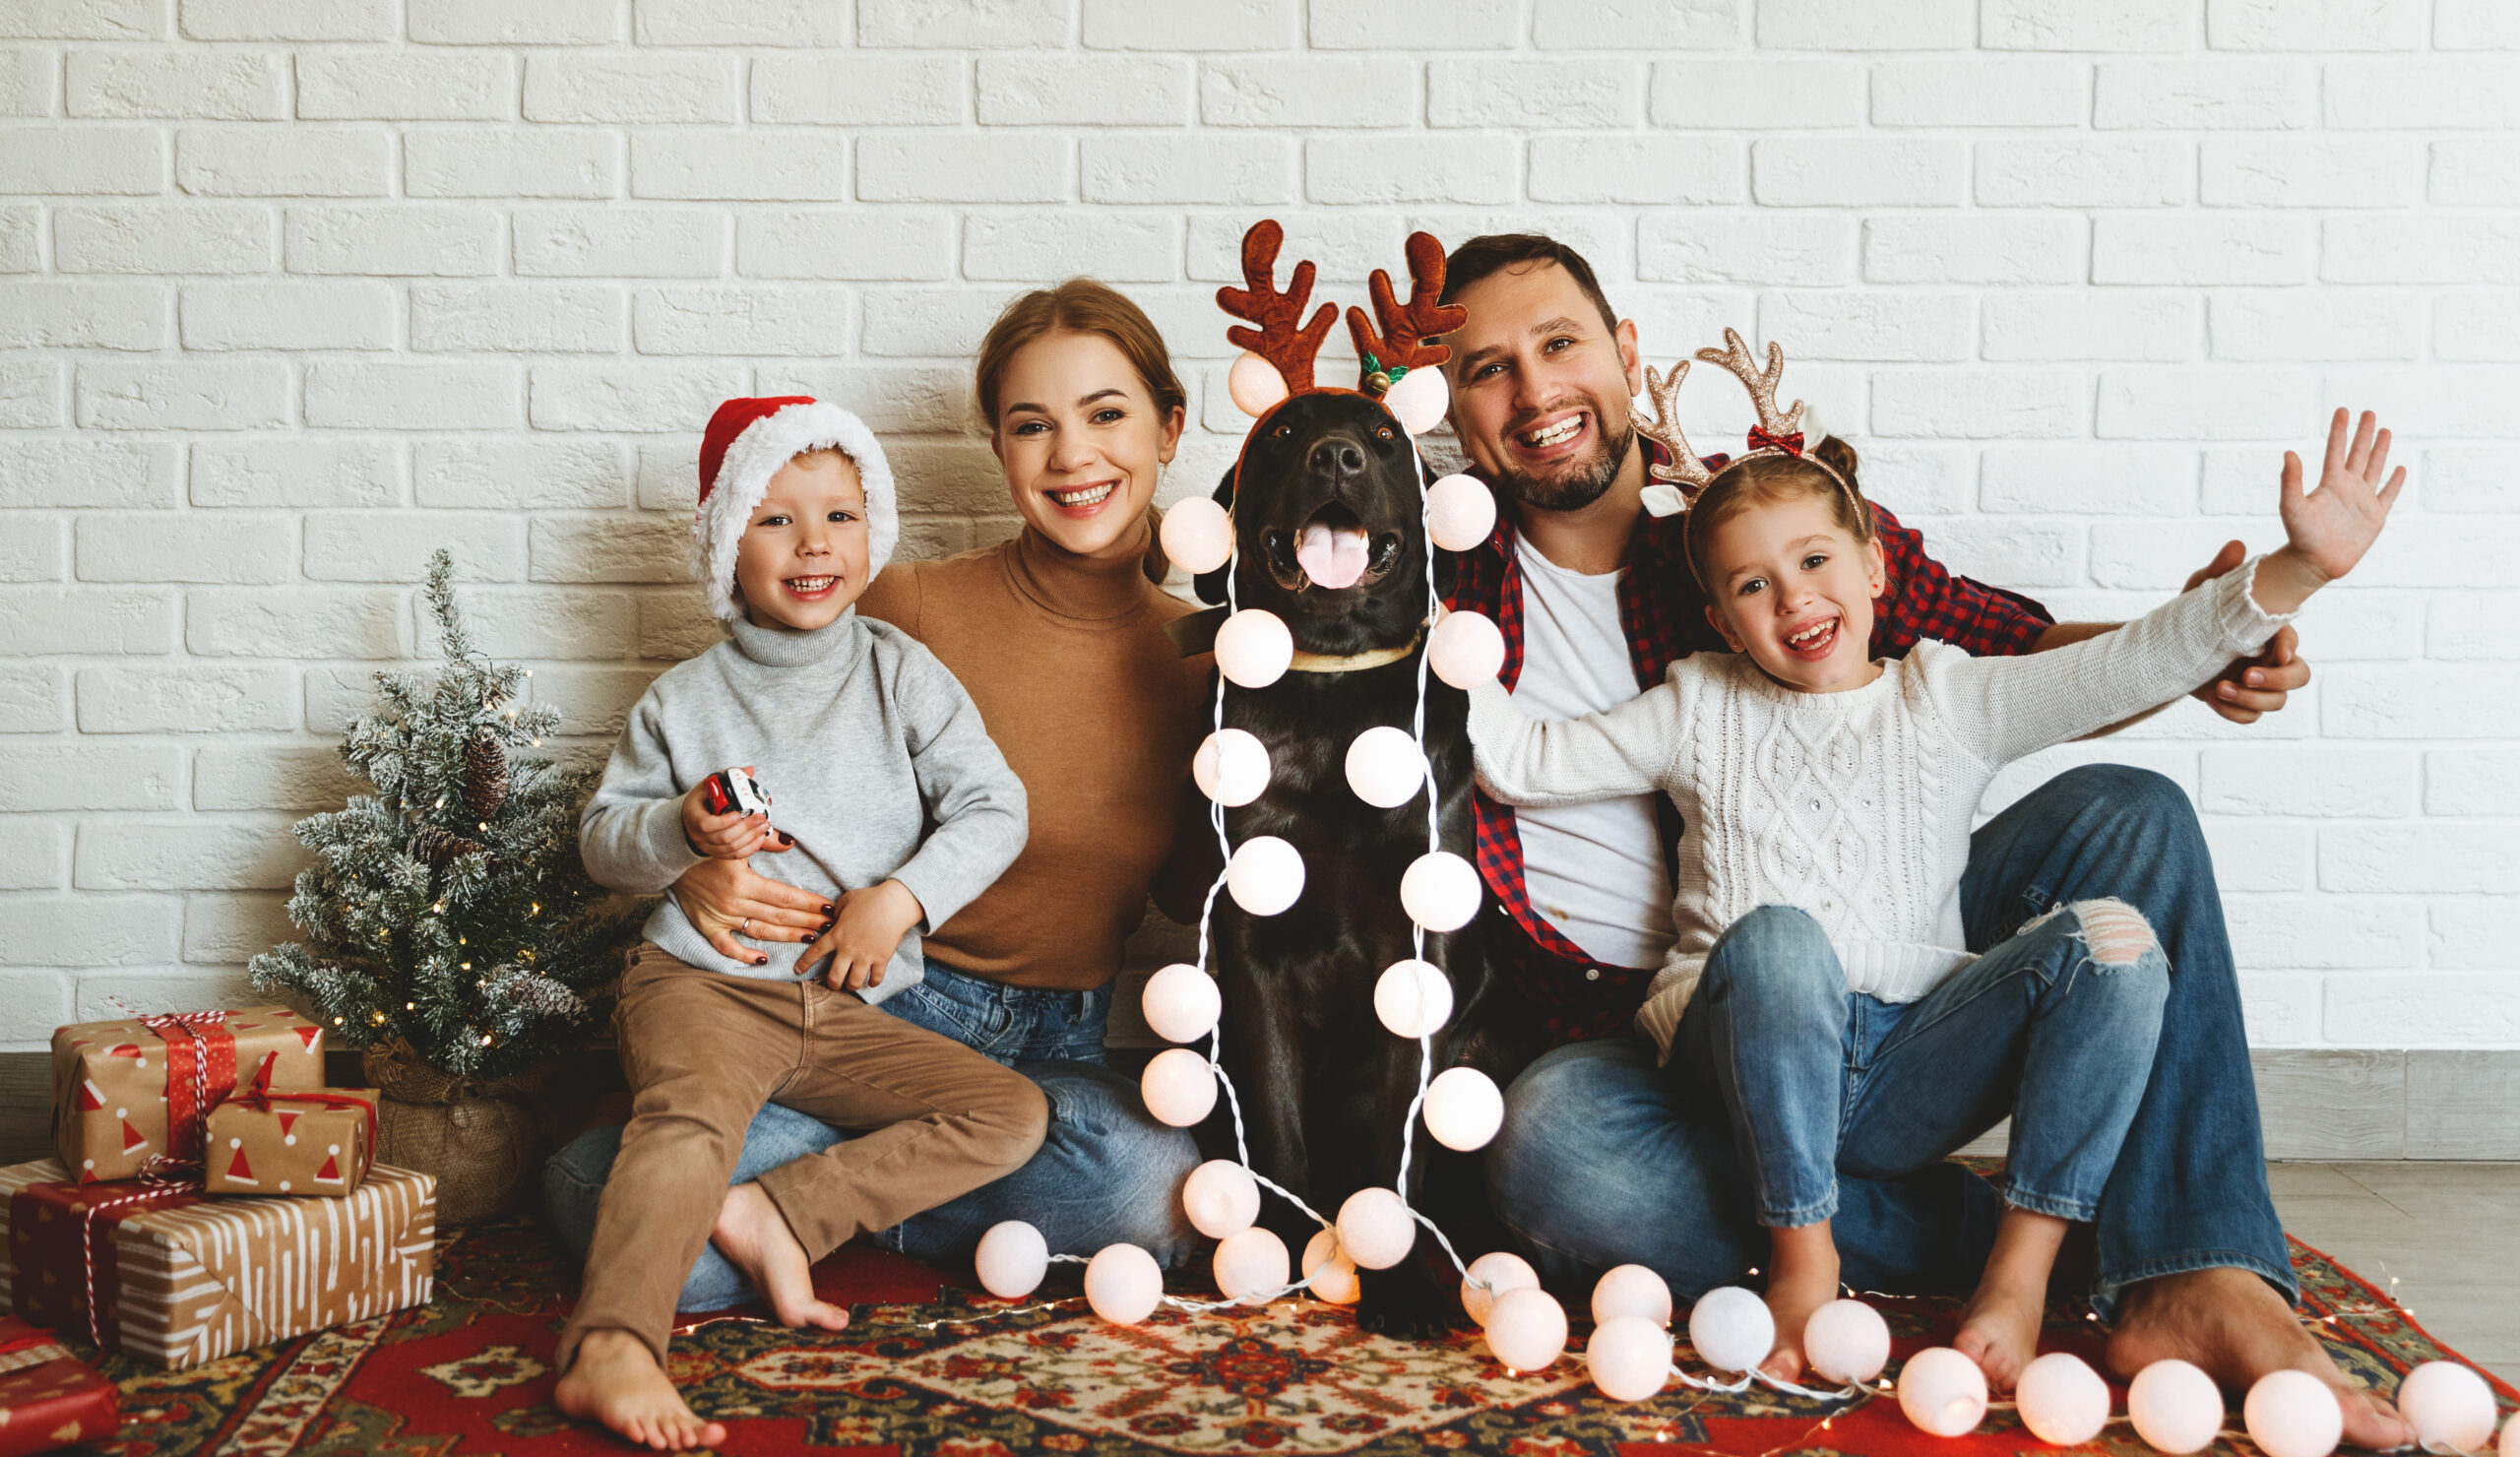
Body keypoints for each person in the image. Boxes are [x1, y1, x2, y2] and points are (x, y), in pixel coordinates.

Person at [1438, 234, 2410, 1444]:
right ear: (1448, 403)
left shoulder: (1769, 512)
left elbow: (2044, 661)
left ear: (1623, 353)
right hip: (1657, 1040)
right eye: (1486, 367)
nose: (1535, 393)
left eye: (1560, 343)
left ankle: (2197, 1272)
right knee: (1552, 1159)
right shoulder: (1437, 573)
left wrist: (2232, 626)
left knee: (2132, 815)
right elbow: (1503, 745)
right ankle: (2052, 1235)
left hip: (1900, 999)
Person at [544, 281, 1211, 1308]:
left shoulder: (1209, 663)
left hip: (1051, 1051)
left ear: (1170, 425)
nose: (1072, 455)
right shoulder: (901, 603)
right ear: (999, 448)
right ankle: (789, 1191)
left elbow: (1181, 894)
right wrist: (695, 878)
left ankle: (805, 1201)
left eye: (1107, 413)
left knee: (1150, 1191)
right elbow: (724, 748)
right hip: (857, 1001)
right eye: (1032, 425)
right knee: (630, 1218)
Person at [554, 395, 1047, 1451]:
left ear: (872, 535)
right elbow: (600, 842)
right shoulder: (681, 701)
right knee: (690, 1125)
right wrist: (681, 834)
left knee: (1008, 1114)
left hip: (834, 1002)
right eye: (776, 519)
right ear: (727, 548)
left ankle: (779, 1213)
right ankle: (611, 1346)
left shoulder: (899, 673)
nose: (813, 543)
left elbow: (994, 804)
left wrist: (900, 898)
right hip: (701, 986)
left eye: (839, 514)